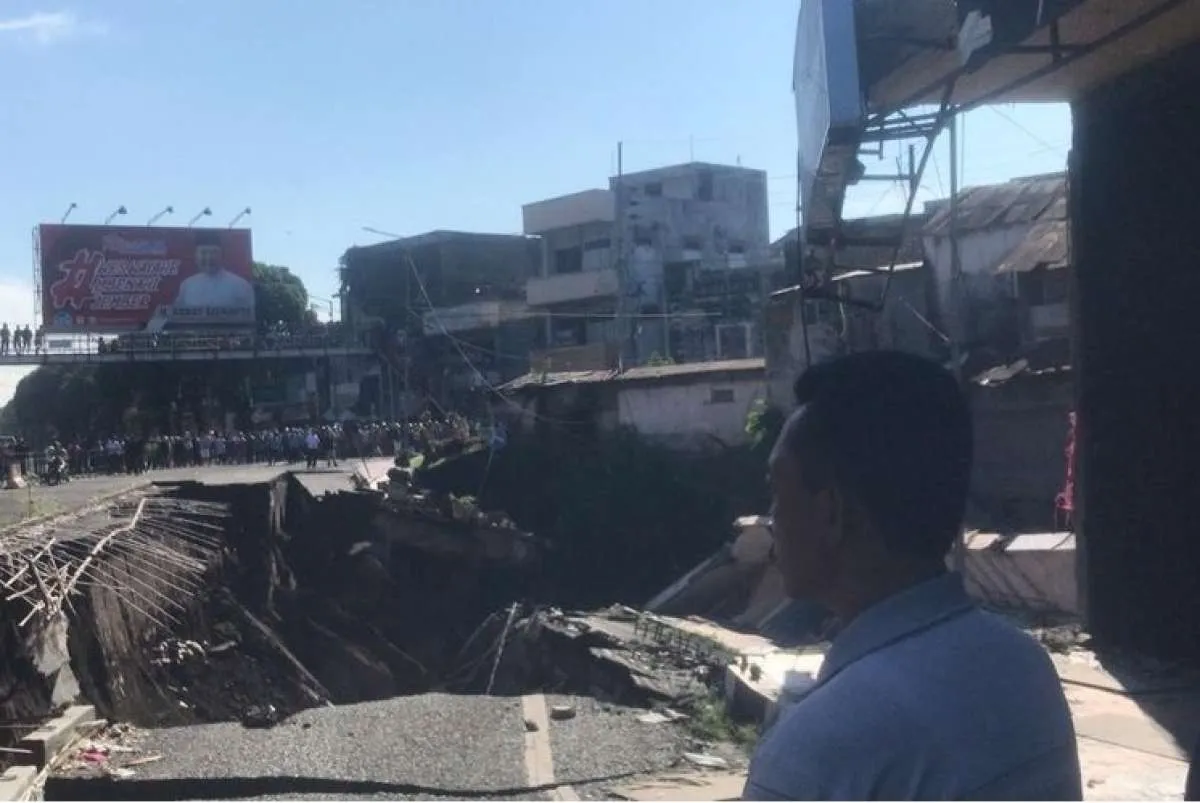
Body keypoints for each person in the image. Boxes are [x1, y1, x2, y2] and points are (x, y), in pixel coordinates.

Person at [743, 351, 1082, 801]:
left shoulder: (816, 752)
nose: (772, 519)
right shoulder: (1025, 667)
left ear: (831, 514)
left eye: (776, 493)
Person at [171, 231, 255, 322]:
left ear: (221, 255)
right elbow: (177, 318)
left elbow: (249, 319)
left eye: (213, 253)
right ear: (196, 256)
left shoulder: (240, 285)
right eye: (203, 253)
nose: (209, 258)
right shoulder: (187, 285)